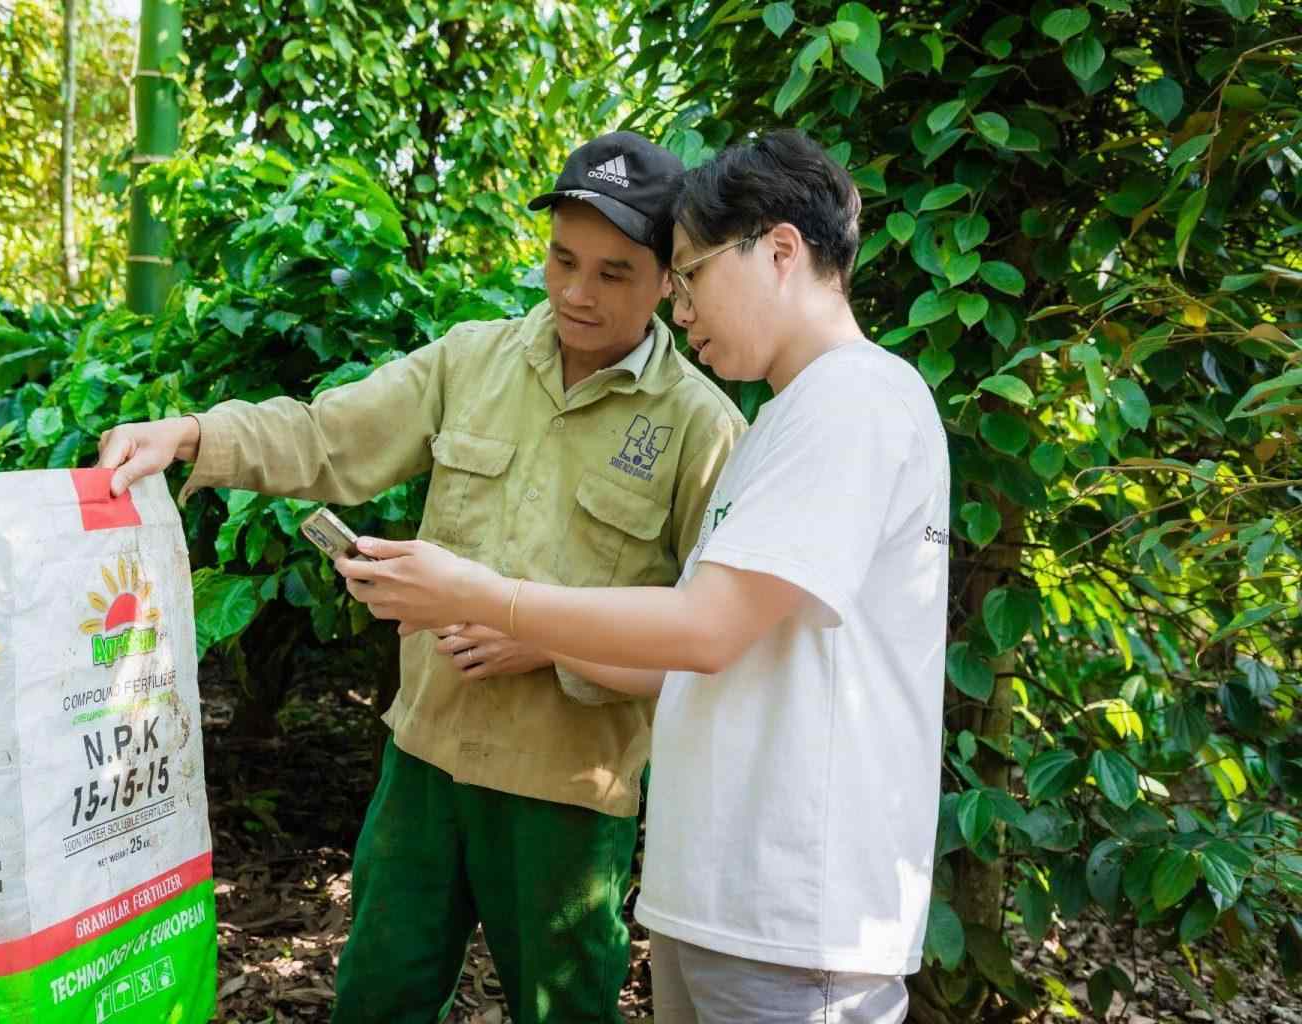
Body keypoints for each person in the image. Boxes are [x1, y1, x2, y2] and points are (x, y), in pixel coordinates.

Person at [95, 130, 746, 1023]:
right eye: (562, 260)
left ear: (670, 277)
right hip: (425, 758)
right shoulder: (471, 360)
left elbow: (703, 636)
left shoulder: (700, 428)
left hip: (565, 792)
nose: (574, 293)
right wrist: (194, 435)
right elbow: (327, 437)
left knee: (567, 1010)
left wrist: (547, 639)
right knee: (378, 994)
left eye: (613, 273)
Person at [334, 129, 950, 1024]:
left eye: (689, 273)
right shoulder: (788, 420)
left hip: (793, 920)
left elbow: (702, 628)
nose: (683, 303)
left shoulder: (852, 403)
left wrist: (481, 595)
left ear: (780, 251)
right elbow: (704, 656)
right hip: (726, 910)